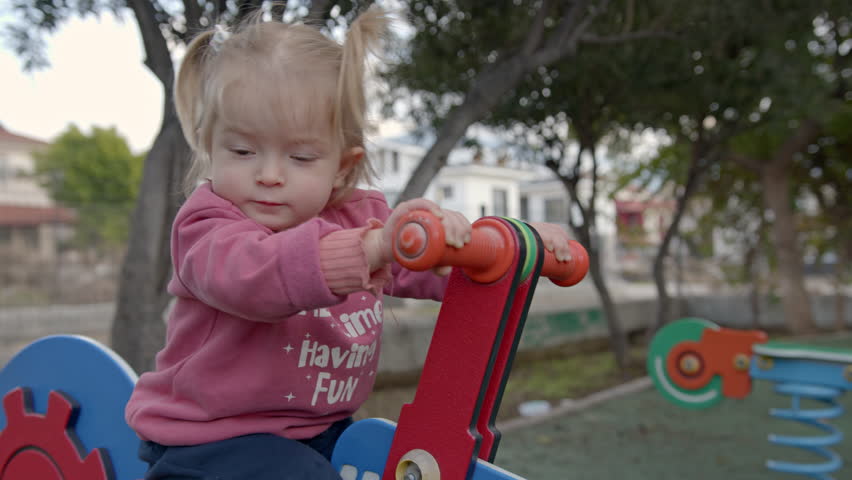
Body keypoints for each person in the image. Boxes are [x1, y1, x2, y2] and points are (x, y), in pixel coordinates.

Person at [125, 5, 576, 480]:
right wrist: (371, 249)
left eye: (300, 157)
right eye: (242, 151)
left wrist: (506, 248)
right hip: (212, 438)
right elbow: (253, 277)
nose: (269, 175)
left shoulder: (360, 217)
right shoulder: (208, 225)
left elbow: (434, 269)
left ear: (341, 165)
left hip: (322, 427)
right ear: (209, 145)